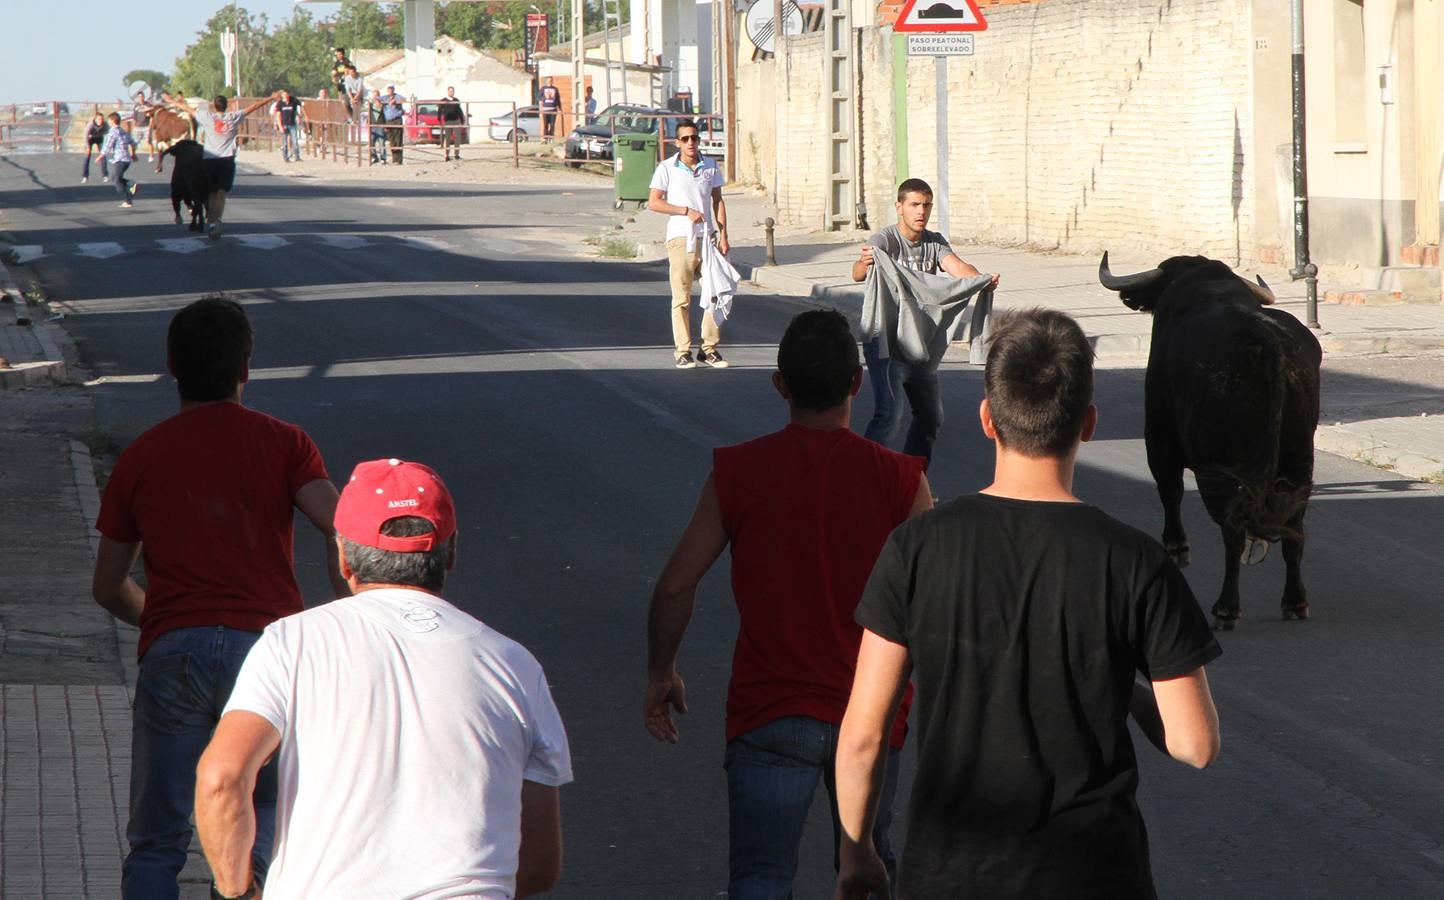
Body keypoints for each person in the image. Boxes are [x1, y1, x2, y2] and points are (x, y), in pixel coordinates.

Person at [833, 308, 1223, 900]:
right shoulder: (1136, 560)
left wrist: (856, 854)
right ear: (1088, 424)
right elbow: (1195, 746)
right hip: (1095, 876)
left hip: (949, 875)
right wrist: (1119, 690)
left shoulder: (917, 547)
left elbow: (863, 732)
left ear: (988, 419)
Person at [646, 309, 932, 898]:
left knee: (760, 877)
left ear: (780, 386)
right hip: (872, 718)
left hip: (769, 711)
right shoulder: (903, 479)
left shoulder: (739, 472)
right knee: (868, 873)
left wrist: (660, 672)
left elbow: (676, 584)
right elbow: (931, 606)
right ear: (857, 384)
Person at [195, 457, 573, 899]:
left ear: (343, 557)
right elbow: (540, 865)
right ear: (451, 552)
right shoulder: (516, 665)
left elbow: (222, 778)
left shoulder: (293, 643)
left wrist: (238, 890)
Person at [91, 296, 348, 899]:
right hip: (268, 654)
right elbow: (339, 527)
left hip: (173, 656)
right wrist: (343, 615)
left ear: (172, 367)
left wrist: (165, 624)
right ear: (246, 370)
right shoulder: (287, 444)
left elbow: (106, 586)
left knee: (157, 838)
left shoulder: (141, 456)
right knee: (261, 812)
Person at [850, 178, 1000, 465]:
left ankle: (914, 476)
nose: (921, 212)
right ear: (900, 207)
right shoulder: (884, 240)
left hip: (919, 343)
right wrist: (864, 262)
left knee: (931, 417)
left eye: (927, 205)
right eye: (915, 205)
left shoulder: (934, 242)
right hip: (887, 342)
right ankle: (863, 476)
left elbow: (958, 267)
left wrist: (981, 280)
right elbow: (857, 274)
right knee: (889, 415)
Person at [646, 118, 730, 369]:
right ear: (677, 143)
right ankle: (683, 350)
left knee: (715, 291)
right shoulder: (667, 167)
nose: (691, 143)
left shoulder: (710, 166)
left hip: (708, 237)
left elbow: (718, 201)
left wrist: (724, 235)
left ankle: (709, 348)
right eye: (685, 139)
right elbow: (654, 202)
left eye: (694, 138)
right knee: (682, 297)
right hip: (681, 236)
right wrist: (684, 211)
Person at [164, 90, 281, 241]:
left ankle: (213, 223)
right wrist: (271, 97)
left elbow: (188, 109)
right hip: (227, 160)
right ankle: (216, 219)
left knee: (212, 192)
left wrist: (170, 101)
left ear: (214, 106)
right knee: (221, 193)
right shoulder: (233, 117)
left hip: (210, 160)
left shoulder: (207, 117)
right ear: (226, 107)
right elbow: (254, 106)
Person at [99, 112, 138, 208]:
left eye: (109, 120)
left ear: (112, 121)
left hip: (120, 159)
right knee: (115, 177)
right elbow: (133, 143)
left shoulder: (112, 132)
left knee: (116, 180)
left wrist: (100, 156)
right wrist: (133, 153)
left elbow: (107, 147)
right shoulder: (123, 131)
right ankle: (131, 184)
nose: (108, 122)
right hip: (126, 160)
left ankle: (128, 200)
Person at [273, 88, 305, 163]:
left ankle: (297, 157)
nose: (286, 96)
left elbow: (301, 105)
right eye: (284, 95)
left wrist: (300, 116)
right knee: (285, 143)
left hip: (292, 124)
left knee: (295, 141)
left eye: (287, 95)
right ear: (282, 95)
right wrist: (280, 126)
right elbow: (278, 115)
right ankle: (286, 157)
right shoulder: (280, 103)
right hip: (284, 124)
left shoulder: (293, 100)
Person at [439, 85, 466, 161]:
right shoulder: (443, 101)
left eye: (453, 91)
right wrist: (439, 120)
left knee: (457, 138)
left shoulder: (456, 100)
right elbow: (440, 111)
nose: (451, 92)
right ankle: (446, 155)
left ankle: (456, 155)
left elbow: (459, 110)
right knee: (447, 138)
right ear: (447, 91)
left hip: (456, 121)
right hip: (448, 121)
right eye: (450, 91)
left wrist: (462, 119)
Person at [82, 111, 110, 183]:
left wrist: (106, 147)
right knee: (87, 157)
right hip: (90, 138)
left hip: (99, 138)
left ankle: (105, 175)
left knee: (103, 156)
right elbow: (85, 135)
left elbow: (109, 135)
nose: (100, 121)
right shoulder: (91, 124)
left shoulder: (106, 124)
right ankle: (85, 176)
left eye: (101, 119)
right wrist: (87, 146)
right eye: (98, 119)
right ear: (95, 119)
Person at [381, 84, 406, 164]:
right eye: (389, 89)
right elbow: (376, 98)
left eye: (391, 89)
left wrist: (396, 101)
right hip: (389, 121)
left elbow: (404, 100)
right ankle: (394, 158)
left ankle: (398, 160)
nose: (390, 91)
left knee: (398, 139)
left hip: (397, 120)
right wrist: (378, 101)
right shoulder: (385, 97)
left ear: (393, 90)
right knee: (391, 140)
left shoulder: (397, 96)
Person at [330, 47, 354, 118]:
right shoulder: (336, 63)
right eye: (337, 55)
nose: (338, 56)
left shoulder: (347, 62)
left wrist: (346, 75)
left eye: (340, 54)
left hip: (347, 83)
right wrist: (333, 77)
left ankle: (352, 116)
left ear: (343, 54)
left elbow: (350, 71)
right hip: (340, 84)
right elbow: (334, 72)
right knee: (341, 101)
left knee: (346, 102)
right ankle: (345, 117)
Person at [131, 91, 153, 160]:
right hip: (137, 126)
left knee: (148, 141)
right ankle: (133, 155)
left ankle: (151, 156)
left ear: (144, 97)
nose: (140, 98)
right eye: (139, 97)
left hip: (146, 126)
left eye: (142, 96)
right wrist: (134, 126)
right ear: (137, 98)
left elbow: (153, 109)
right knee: (134, 142)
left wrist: (147, 110)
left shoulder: (148, 104)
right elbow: (134, 117)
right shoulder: (136, 106)